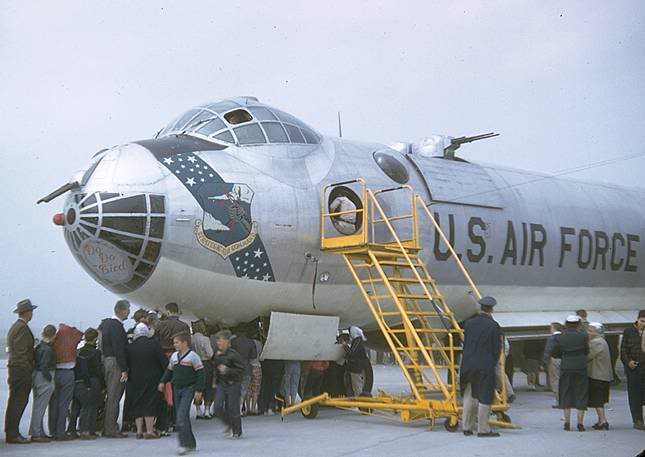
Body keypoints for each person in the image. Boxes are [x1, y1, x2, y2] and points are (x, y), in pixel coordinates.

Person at [459, 296, 503, 438]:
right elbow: (497, 349)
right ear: (491, 309)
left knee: (469, 394)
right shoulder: (493, 326)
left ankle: (467, 427)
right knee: (484, 396)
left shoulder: (469, 324)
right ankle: (483, 429)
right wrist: (492, 362)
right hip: (485, 364)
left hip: (468, 363)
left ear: (480, 307)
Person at [159, 332, 205, 455]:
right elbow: (169, 371)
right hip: (176, 388)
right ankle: (191, 443)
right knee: (183, 417)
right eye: (174, 343)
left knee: (180, 417)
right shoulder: (174, 356)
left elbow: (201, 374)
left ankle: (184, 444)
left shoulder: (193, 357)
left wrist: (199, 390)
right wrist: (163, 381)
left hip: (189, 388)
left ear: (185, 343)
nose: (175, 345)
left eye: (177, 342)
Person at [5, 298, 37, 444]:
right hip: (21, 370)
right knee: (19, 401)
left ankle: (11, 431)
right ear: (28, 312)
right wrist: (28, 368)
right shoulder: (22, 328)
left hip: (16, 369)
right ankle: (13, 434)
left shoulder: (16, 327)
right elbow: (21, 352)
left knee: (14, 401)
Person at [127, 322, 167, 439]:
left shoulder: (130, 347)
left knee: (137, 402)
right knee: (150, 402)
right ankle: (149, 430)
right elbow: (163, 361)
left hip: (135, 378)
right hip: (152, 378)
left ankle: (139, 431)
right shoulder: (154, 344)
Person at [551, 315, 589, 431]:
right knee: (581, 393)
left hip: (566, 366)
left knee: (566, 392)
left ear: (566, 324)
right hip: (580, 366)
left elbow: (555, 352)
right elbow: (587, 351)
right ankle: (580, 423)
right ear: (578, 324)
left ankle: (567, 422)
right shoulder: (583, 336)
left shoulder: (560, 337)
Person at [98, 299, 130, 438]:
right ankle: (110, 428)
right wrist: (124, 368)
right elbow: (119, 349)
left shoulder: (107, 324)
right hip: (115, 362)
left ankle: (107, 426)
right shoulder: (117, 326)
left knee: (111, 395)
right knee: (114, 396)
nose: (129, 312)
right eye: (128, 310)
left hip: (107, 360)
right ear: (122, 310)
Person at [48, 322, 83, 441]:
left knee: (53, 403)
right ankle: (60, 432)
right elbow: (80, 335)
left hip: (55, 372)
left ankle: (52, 431)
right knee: (64, 404)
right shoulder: (71, 337)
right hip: (68, 372)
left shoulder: (56, 339)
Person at [212, 330, 245, 438]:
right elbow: (215, 369)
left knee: (232, 408)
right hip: (222, 384)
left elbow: (241, 370)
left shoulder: (234, 355)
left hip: (233, 384)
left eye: (220, 341)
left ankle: (237, 431)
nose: (218, 343)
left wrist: (228, 370)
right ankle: (229, 424)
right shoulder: (217, 355)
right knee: (217, 406)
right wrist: (214, 381)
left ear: (227, 341)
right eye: (217, 341)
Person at [73, 328, 103, 439]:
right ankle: (87, 430)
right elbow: (98, 370)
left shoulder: (79, 351)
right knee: (91, 406)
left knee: (78, 406)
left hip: (78, 381)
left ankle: (73, 429)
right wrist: (103, 384)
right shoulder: (96, 353)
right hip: (92, 380)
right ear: (95, 339)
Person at [28, 324, 56, 443]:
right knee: (40, 407)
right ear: (53, 335)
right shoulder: (48, 349)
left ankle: (39, 431)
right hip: (44, 377)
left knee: (38, 406)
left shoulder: (40, 347)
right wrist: (50, 379)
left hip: (36, 376)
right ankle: (36, 433)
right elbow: (44, 366)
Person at [620, 309, 645, 430]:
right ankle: (638, 420)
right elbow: (623, 349)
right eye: (642, 321)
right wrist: (628, 362)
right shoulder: (629, 331)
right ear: (637, 320)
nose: (643, 324)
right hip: (634, 368)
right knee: (635, 395)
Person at [586, 322, 612, 430]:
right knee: (599, 400)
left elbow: (588, 356)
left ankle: (603, 420)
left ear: (597, 332)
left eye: (590, 330)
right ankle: (601, 420)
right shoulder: (601, 341)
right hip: (601, 375)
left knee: (598, 400)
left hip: (598, 375)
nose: (588, 332)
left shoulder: (596, 343)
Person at [190, 320, 214, 419]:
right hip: (205, 363)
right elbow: (210, 353)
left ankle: (198, 410)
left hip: (194, 364)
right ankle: (207, 411)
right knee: (208, 386)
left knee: (197, 387)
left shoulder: (191, 339)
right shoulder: (205, 339)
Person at [230, 327, 257, 412]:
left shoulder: (233, 341)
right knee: (244, 390)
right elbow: (254, 356)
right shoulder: (251, 342)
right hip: (246, 368)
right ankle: (240, 407)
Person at [343, 326, 369, 397]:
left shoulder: (357, 341)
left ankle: (359, 401)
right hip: (357, 365)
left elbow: (352, 353)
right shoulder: (358, 341)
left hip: (356, 366)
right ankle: (358, 399)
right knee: (356, 384)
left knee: (356, 385)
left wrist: (345, 346)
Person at [543, 322, 563, 407]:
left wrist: (544, 360)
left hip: (554, 359)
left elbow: (548, 349)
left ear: (554, 328)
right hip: (564, 359)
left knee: (555, 380)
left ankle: (559, 401)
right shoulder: (564, 337)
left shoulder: (552, 338)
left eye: (551, 327)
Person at [245, 336, 263, 415]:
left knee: (248, 388)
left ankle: (248, 408)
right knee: (256, 389)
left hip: (248, 367)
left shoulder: (247, 343)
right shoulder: (260, 344)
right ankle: (253, 408)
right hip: (257, 366)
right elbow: (262, 357)